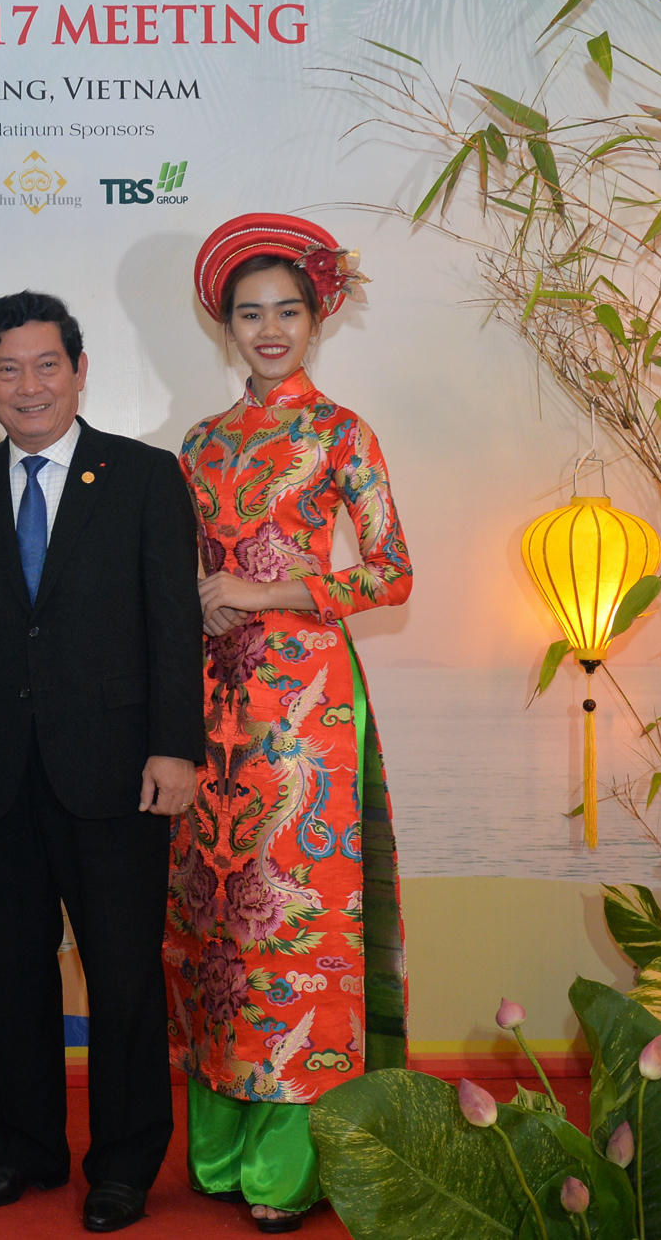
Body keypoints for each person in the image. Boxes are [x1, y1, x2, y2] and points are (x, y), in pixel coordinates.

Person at [0, 291, 202, 1234]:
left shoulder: (145, 476)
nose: (28, 386)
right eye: (8, 368)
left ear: (79, 372)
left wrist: (177, 746)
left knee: (123, 976)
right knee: (17, 970)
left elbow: (175, 623)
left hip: (119, 773)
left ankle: (123, 1163)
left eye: (46, 365)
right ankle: (22, 1149)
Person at [169, 214, 412, 1233]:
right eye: (248, 314)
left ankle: (290, 1161)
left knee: (295, 922)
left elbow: (390, 572)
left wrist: (265, 593)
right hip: (210, 703)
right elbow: (182, 573)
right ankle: (219, 1147)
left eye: (286, 312)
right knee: (214, 921)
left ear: (317, 319)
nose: (268, 330)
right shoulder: (199, 442)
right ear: (224, 325)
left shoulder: (342, 433)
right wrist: (197, 601)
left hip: (306, 711)